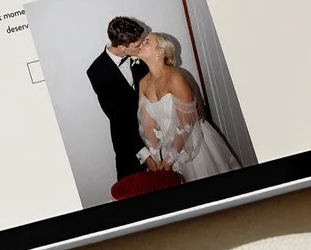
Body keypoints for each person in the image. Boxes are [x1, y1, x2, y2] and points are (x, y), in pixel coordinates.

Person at [135, 31, 241, 183]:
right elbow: (147, 125)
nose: (141, 44)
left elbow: (187, 123)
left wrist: (170, 159)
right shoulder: (143, 82)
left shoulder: (176, 77)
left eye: (147, 42)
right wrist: (155, 155)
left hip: (190, 142)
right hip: (164, 149)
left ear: (160, 51)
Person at [83, 16, 153, 182]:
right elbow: (118, 119)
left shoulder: (140, 53)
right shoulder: (97, 72)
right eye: (137, 46)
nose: (142, 46)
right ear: (122, 48)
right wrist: (145, 154)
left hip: (156, 131)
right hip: (129, 144)